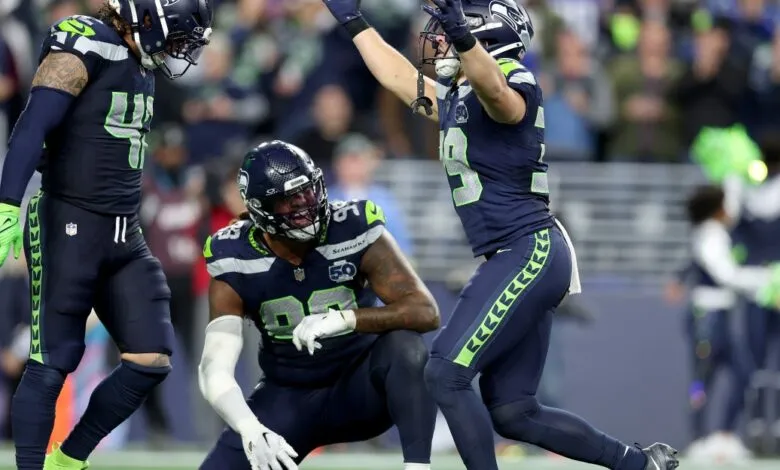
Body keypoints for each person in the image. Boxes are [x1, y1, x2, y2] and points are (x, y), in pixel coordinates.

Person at [320, 0, 678, 468]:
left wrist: (465, 40)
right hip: (514, 253)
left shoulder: (514, 79)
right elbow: (397, 76)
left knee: (446, 371)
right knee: (513, 410)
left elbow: (500, 98)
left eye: (454, 30)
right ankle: (638, 463)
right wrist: (353, 20)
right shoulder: (459, 93)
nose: (442, 39)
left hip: (528, 249)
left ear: (489, 35)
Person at [0, 1, 213, 468]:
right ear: (148, 18)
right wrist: (7, 204)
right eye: (178, 35)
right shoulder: (86, 39)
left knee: (150, 359)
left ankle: (69, 459)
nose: (182, 49)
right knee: (53, 359)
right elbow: (34, 123)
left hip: (124, 232)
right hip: (68, 219)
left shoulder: (138, 59)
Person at [198, 140, 439, 470]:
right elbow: (214, 369)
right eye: (289, 200)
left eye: (308, 192)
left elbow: (426, 311)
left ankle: (418, 467)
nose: (304, 206)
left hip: (362, 389)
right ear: (259, 207)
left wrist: (346, 319)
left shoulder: (351, 226)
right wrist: (249, 428)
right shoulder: (234, 257)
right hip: (288, 397)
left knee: (407, 346)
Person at [681, 184, 779, 461]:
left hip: (721, 316)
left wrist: (734, 181)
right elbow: (726, 275)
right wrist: (765, 279)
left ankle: (723, 434)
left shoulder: (719, 233)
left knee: (744, 372)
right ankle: (698, 438)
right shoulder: (709, 235)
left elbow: (736, 208)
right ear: (717, 210)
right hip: (706, 317)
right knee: (701, 381)